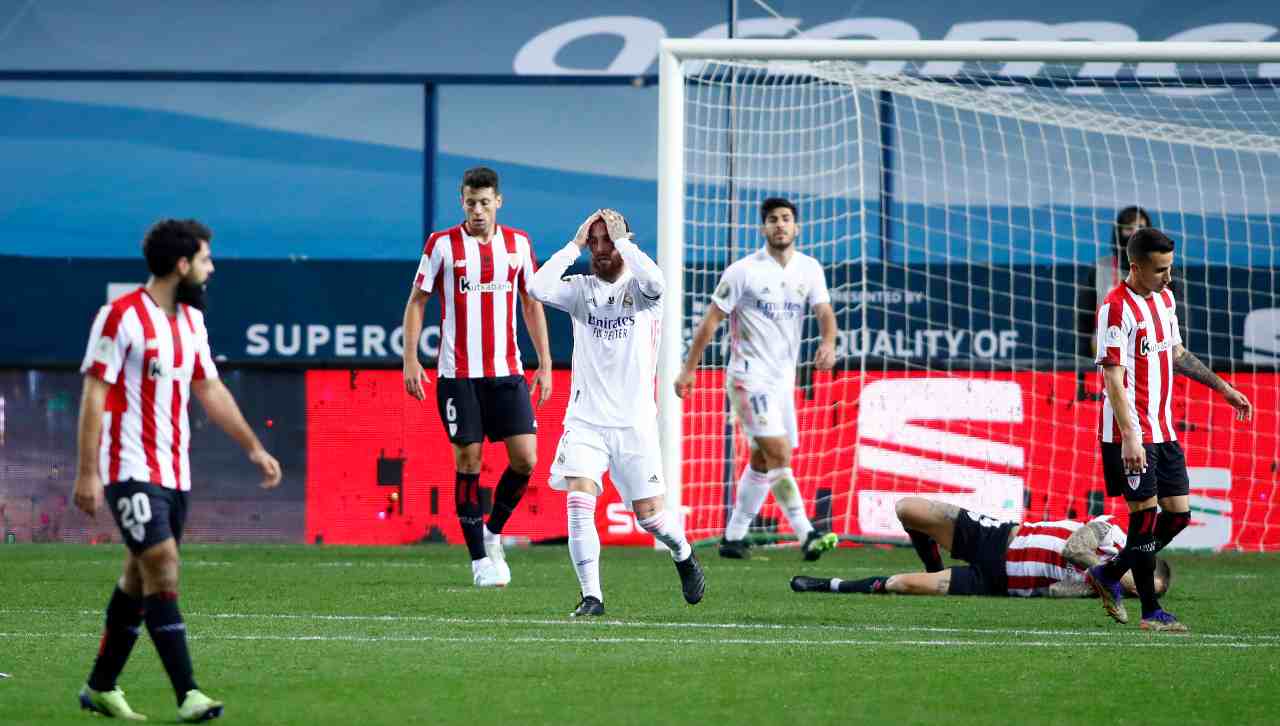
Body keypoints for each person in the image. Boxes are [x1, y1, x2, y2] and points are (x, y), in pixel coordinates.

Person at [73, 219, 282, 722]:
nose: (212, 270)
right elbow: (94, 393)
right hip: (127, 465)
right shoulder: (118, 317)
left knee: (138, 576)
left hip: (174, 472)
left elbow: (209, 388)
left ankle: (101, 686)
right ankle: (188, 693)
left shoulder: (191, 321)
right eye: (206, 260)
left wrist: (253, 446)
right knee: (163, 563)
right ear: (182, 265)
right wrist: (86, 472)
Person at [529, 209, 704, 617]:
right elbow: (537, 288)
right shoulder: (580, 289)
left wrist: (624, 241)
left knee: (651, 518)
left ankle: (683, 553)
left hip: (634, 424)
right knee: (578, 500)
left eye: (608, 241)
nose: (601, 250)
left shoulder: (644, 292)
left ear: (625, 240)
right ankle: (593, 596)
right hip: (586, 420)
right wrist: (573, 245)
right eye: (595, 242)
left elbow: (657, 280)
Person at [1087, 227, 1252, 631]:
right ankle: (1150, 612)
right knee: (1143, 518)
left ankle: (1108, 573)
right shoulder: (1115, 307)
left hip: (1164, 429)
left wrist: (1224, 388)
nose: (1168, 276)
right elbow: (1112, 376)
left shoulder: (1164, 298)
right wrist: (1130, 436)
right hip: (1131, 434)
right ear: (1135, 266)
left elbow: (1176, 353)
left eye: (1170, 268)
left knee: (1177, 516)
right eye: (1160, 269)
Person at [402, 166, 553, 587]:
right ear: (461, 202)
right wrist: (410, 360)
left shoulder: (518, 244)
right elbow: (417, 302)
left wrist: (544, 361)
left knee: (526, 459)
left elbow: (531, 303)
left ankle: (493, 532)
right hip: (458, 374)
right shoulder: (442, 245)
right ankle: (478, 561)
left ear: (498, 202)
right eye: (471, 202)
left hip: (507, 372)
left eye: (485, 202)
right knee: (468, 460)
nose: (478, 210)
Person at [674, 197, 839, 561]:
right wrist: (689, 369)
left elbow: (824, 311)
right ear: (763, 228)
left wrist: (828, 343)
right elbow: (710, 323)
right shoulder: (743, 271)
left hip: (782, 381)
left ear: (797, 228)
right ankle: (807, 533)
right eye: (773, 220)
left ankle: (733, 538)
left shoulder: (809, 269)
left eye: (786, 219)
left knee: (763, 460)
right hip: (748, 377)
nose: (780, 225)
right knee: (780, 453)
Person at [790, 497, 1171, 599]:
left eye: (1143, 595)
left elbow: (1052, 591)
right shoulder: (1114, 536)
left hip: (996, 580)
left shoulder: (1100, 590)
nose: (1136, 590)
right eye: (1142, 582)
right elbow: (1074, 546)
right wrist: (1100, 573)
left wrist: (1090, 587)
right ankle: (931, 563)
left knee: (899, 586)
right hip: (999, 537)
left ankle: (829, 585)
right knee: (908, 509)